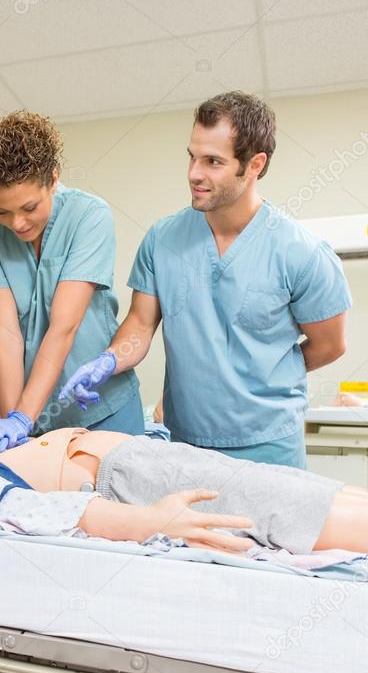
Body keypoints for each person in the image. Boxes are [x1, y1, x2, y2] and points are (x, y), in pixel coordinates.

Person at [61, 92, 352, 469]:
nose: (194, 173)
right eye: (192, 156)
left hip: (270, 445)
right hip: (187, 443)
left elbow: (330, 345)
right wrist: (107, 361)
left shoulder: (301, 252)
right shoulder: (162, 239)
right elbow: (141, 324)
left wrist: (260, 379)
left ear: (254, 165)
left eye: (213, 161)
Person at [0, 420, 368, 562]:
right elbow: (39, 512)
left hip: (139, 460)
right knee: (306, 512)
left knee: (331, 496)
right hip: (133, 480)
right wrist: (151, 523)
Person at [0, 111, 144, 454]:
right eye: (2, 210)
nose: (16, 223)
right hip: (38, 417)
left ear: (53, 178)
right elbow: (5, 333)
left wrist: (22, 416)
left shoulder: (88, 216)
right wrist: (16, 424)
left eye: (29, 207)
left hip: (104, 407)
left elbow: (64, 325)